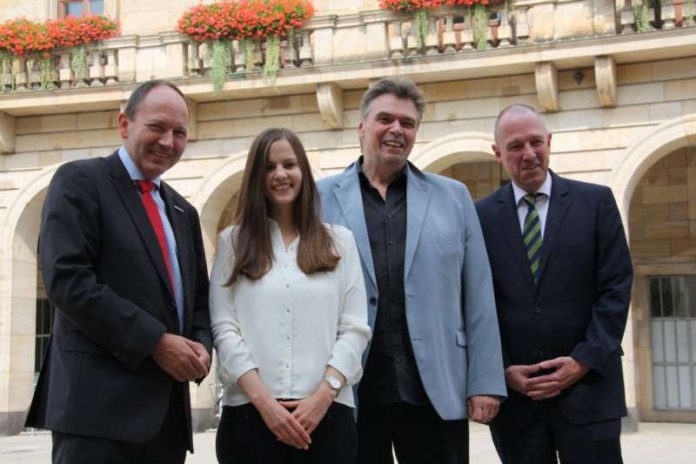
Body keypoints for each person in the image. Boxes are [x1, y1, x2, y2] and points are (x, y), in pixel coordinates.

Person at [317, 77, 506, 464]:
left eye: (408, 123)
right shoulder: (318, 199)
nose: (396, 130)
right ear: (361, 127)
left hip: (435, 389)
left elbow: (479, 295)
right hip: (350, 389)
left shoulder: (452, 196)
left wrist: (486, 382)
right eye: (385, 119)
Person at [25, 80, 212, 464]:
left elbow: (199, 303)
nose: (168, 141)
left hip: (165, 422)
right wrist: (156, 342)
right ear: (124, 124)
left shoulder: (183, 212)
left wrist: (201, 348)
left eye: (180, 133)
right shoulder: (80, 181)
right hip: (96, 415)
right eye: (157, 127)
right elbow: (69, 282)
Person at [475, 104, 633, 464]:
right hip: (517, 402)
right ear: (498, 154)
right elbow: (472, 301)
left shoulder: (595, 202)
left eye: (536, 142)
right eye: (515, 146)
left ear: (549, 142)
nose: (529, 154)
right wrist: (499, 371)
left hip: (590, 393)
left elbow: (616, 288)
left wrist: (582, 361)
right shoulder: (478, 217)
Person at [210, 127, 370, 464]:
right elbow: (224, 329)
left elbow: (354, 329)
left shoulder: (340, 242)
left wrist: (323, 396)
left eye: (289, 164)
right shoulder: (232, 242)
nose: (280, 174)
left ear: (303, 172)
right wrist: (266, 405)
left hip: (327, 416)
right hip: (248, 418)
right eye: (269, 167)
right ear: (256, 177)